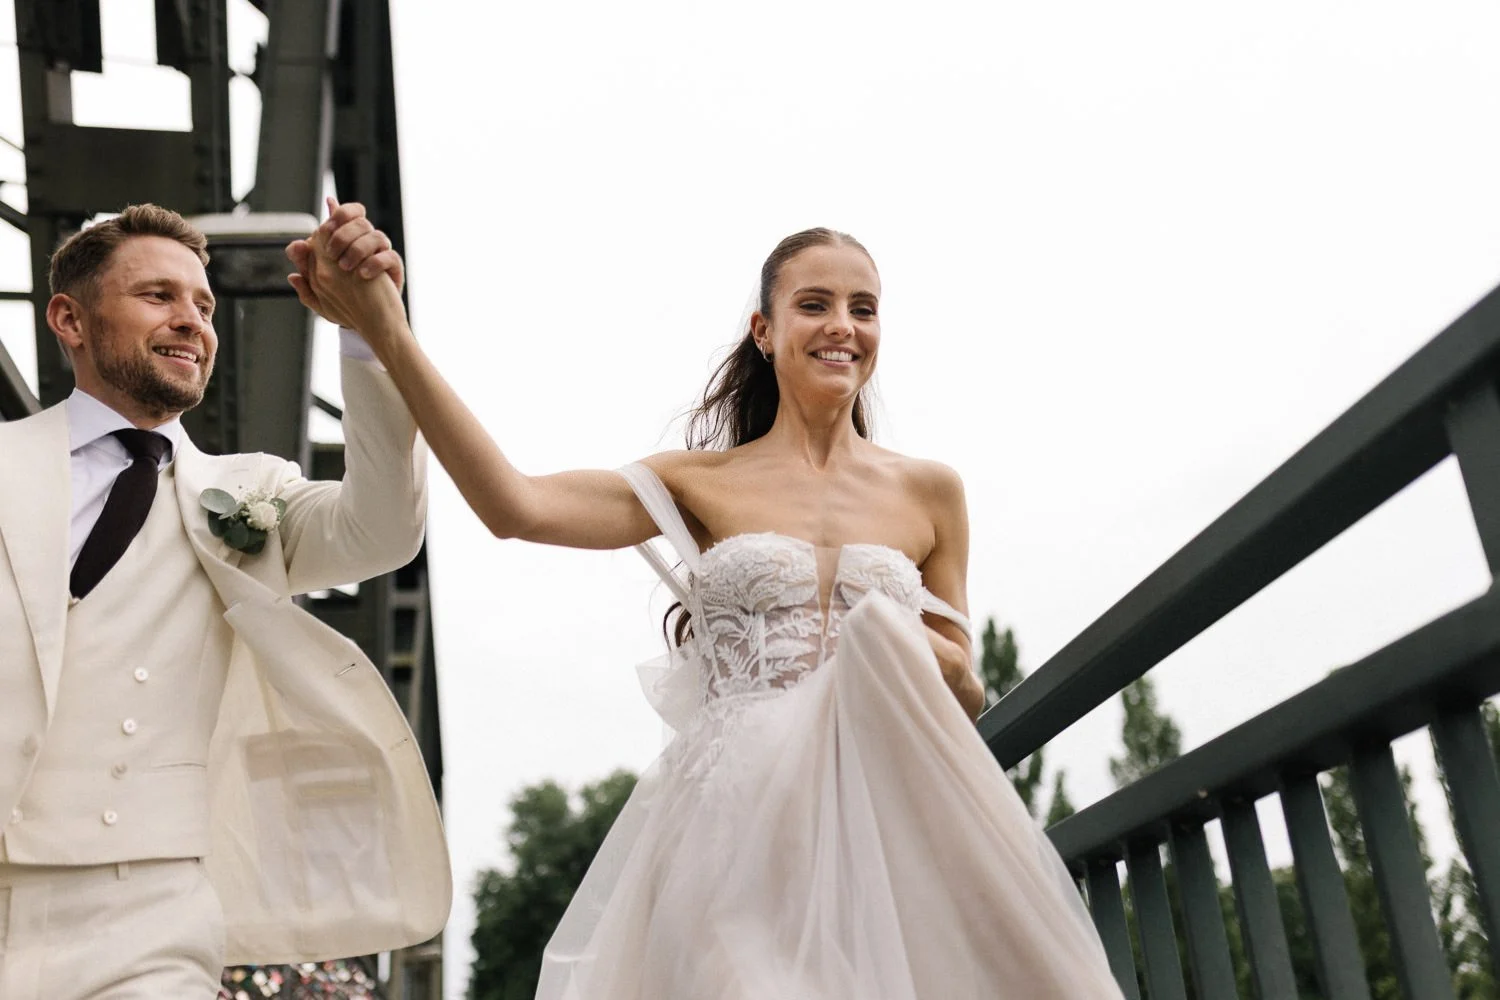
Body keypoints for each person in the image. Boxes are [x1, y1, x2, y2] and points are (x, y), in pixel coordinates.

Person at [301, 224, 1125, 998]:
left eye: (863, 308)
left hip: (896, 817)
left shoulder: (932, 491)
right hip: (738, 824)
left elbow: (965, 690)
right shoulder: (700, 481)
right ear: (764, 331)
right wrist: (387, 334)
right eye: (814, 304)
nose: (843, 326)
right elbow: (514, 505)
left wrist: (901, 646)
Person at [0, 202, 450, 998]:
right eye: (159, 296)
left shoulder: (251, 491)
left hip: (150, 909)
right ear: (69, 319)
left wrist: (369, 329)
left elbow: (383, 530)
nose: (192, 322)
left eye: (203, 305)